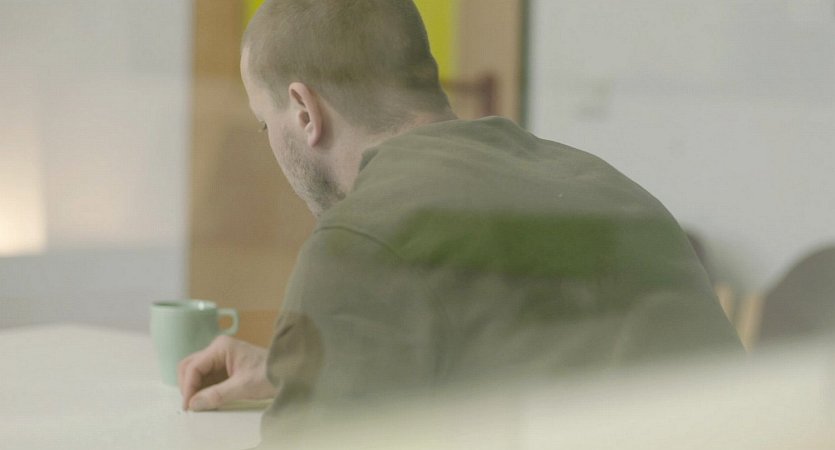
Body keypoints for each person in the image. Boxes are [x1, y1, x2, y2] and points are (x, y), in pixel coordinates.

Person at [178, 0, 742, 441]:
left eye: (264, 123)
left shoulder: (360, 239)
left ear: (304, 111)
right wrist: (302, 371)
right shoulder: (612, 189)